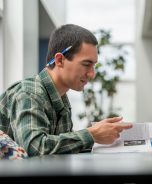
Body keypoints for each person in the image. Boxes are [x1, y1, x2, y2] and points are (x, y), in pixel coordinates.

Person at [0, 24, 132, 157]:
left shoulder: (60, 98)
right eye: (86, 64)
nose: (92, 74)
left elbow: (61, 150)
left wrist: (104, 140)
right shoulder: (29, 93)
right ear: (59, 60)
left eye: (94, 65)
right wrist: (92, 134)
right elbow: (35, 148)